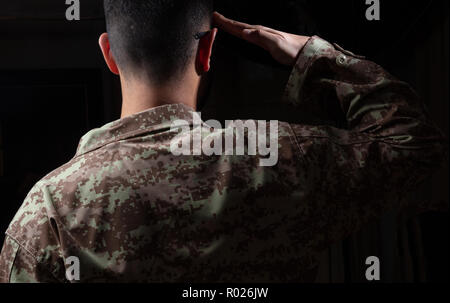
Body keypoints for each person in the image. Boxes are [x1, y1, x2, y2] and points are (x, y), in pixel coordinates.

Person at [0, 0, 446, 283]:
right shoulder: (278, 157)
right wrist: (311, 53)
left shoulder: (47, 216)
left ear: (109, 54)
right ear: (207, 49)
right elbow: (413, 141)